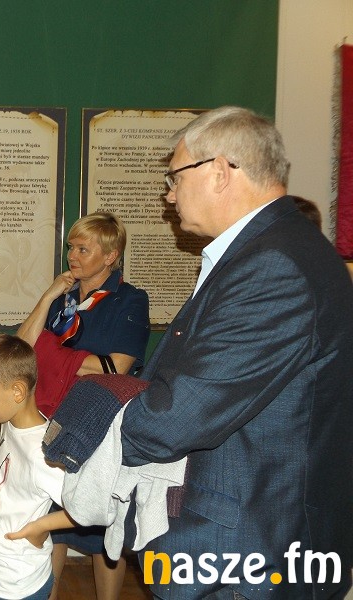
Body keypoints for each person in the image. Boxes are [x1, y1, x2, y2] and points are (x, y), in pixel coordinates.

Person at [119, 106, 353, 598]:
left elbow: (179, 415)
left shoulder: (274, 265)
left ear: (220, 172)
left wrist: (88, 435)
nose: (168, 194)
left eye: (175, 177)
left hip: (247, 553)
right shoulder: (277, 248)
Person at [16, 212, 150, 600]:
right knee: (51, 521)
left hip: (100, 424)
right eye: (71, 247)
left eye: (83, 249)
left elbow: (116, 367)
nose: (72, 256)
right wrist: (48, 296)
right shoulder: (65, 299)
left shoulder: (129, 300)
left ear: (110, 256)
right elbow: (21, 349)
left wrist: (49, 352)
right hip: (54, 417)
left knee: (101, 528)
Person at [0, 334, 75, 600]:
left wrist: (41, 527)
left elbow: (94, 508)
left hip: (17, 583)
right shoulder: (11, 422)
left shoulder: (43, 454)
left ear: (17, 392)